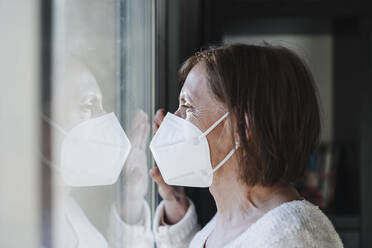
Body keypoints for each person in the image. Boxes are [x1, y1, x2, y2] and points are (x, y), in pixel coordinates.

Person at [149, 43, 344, 248]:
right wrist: (175, 205)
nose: (172, 120)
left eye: (187, 106)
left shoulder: (293, 237)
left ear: (243, 126)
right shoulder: (229, 222)